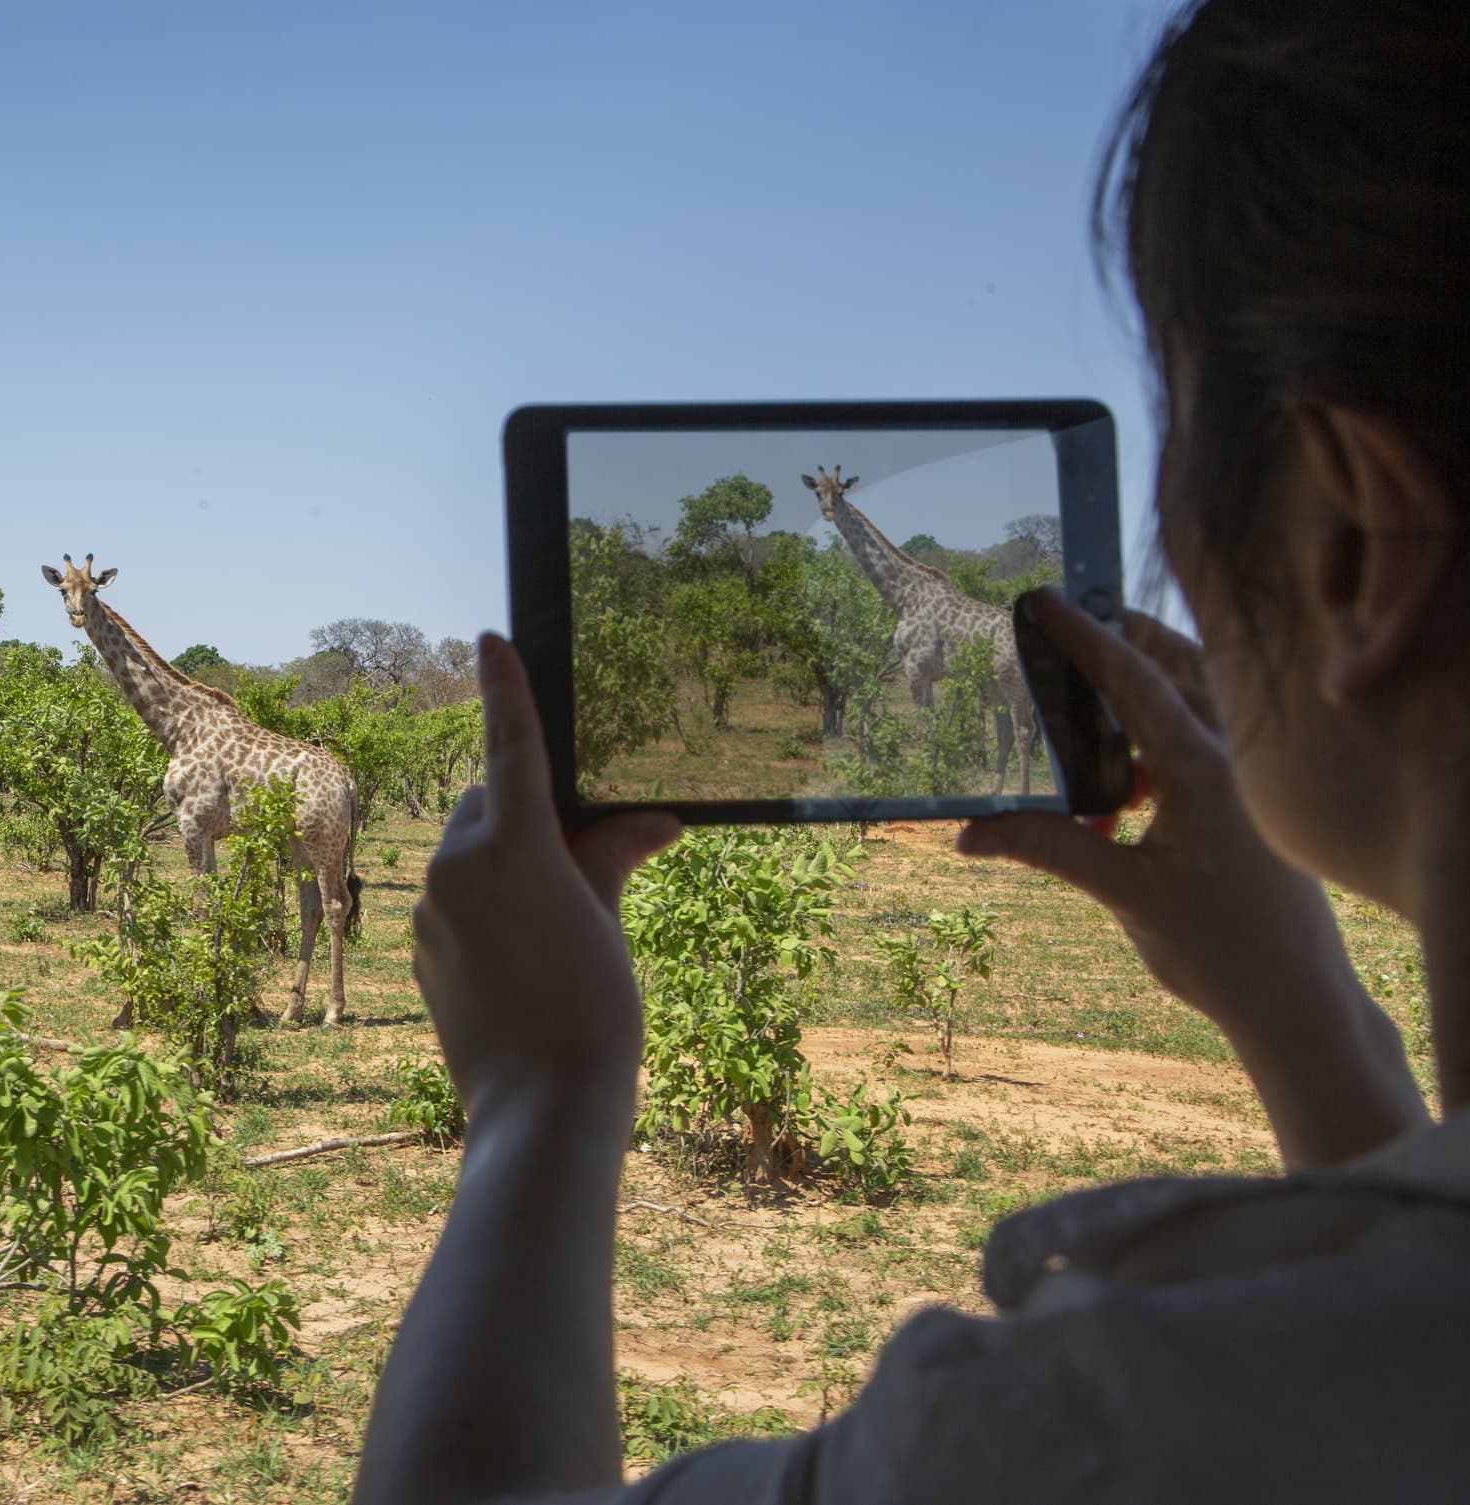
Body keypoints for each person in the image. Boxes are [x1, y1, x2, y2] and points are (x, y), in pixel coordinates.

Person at [350, 0, 1470, 1499]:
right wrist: (1306, 1016)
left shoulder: (1091, 1429)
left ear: (1347, 542)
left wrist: (541, 1095)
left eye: (1185, 441)